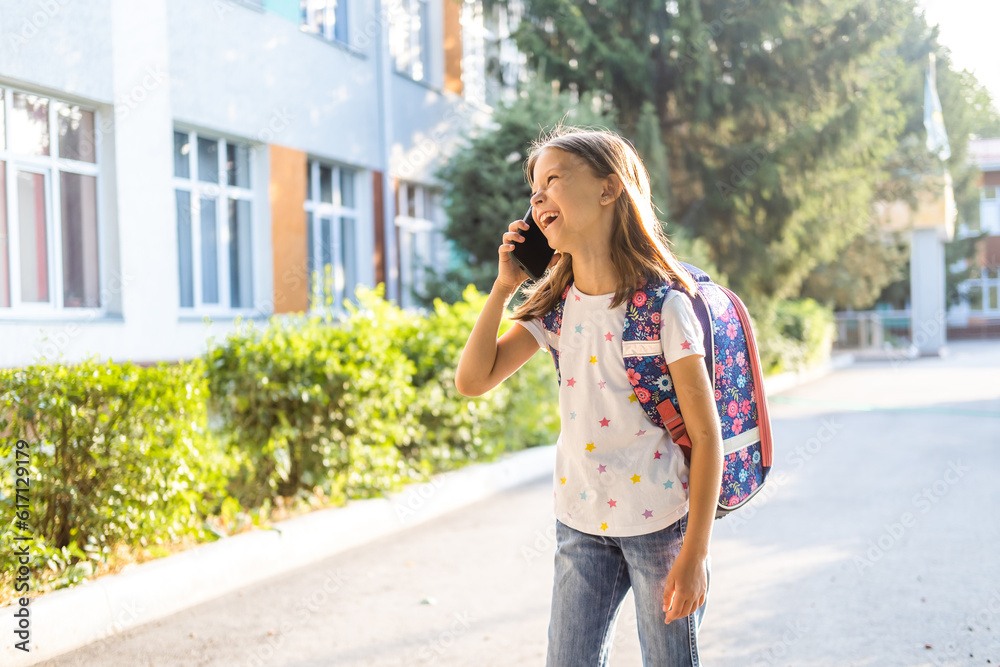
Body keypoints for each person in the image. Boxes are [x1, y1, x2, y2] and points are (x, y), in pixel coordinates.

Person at [454, 125, 724, 667]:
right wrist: (504, 287)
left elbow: (705, 436)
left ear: (608, 189)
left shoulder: (664, 308)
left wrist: (694, 554)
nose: (537, 198)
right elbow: (474, 379)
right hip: (581, 522)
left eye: (554, 180)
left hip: (659, 527)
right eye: (533, 189)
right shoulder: (555, 309)